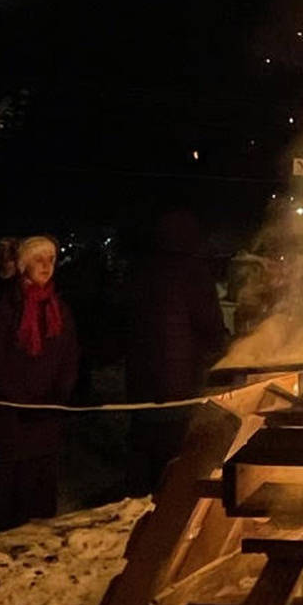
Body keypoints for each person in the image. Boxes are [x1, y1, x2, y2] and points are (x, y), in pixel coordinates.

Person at [0, 236, 80, 535]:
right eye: (39, 259)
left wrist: (57, 397)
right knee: (3, 498)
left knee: (37, 498)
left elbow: (69, 357)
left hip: (44, 421)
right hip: (8, 420)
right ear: (23, 265)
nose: (46, 266)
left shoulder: (60, 310)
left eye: (51, 260)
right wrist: (17, 401)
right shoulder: (3, 308)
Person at [121, 211, 225, 495]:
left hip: (142, 382)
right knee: (174, 452)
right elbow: (210, 325)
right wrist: (225, 351)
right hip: (180, 382)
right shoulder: (193, 273)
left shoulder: (138, 271)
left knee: (144, 444)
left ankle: (138, 505)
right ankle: (169, 506)